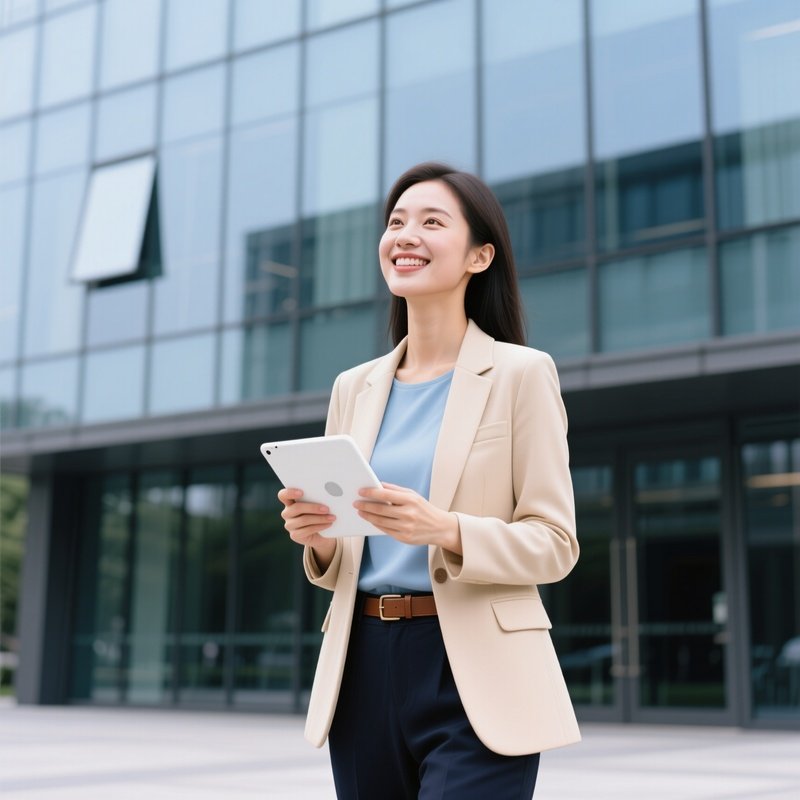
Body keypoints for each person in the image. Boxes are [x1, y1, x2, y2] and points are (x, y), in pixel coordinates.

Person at [278, 162, 580, 799]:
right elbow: (345, 560)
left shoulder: (522, 374)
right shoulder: (353, 387)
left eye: (432, 222)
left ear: (479, 256)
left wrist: (445, 529)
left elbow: (555, 544)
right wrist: (321, 539)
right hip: (362, 664)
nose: (405, 235)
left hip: (479, 670)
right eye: (396, 222)